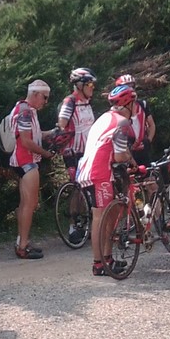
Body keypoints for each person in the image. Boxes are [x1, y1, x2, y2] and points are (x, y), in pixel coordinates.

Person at [75, 84, 137, 277]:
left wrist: (129, 159)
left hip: (91, 170)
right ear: (128, 104)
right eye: (134, 103)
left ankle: (107, 259)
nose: (136, 107)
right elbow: (119, 156)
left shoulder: (105, 117)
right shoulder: (122, 123)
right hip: (99, 172)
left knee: (109, 215)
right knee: (100, 217)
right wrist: (131, 161)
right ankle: (99, 263)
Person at [9, 80, 56, 259]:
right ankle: (23, 246)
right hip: (26, 161)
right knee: (30, 205)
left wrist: (51, 132)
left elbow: (33, 134)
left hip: (22, 161)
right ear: (35, 94)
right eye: (45, 97)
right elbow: (26, 141)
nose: (45, 101)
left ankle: (22, 241)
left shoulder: (25, 109)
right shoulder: (26, 112)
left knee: (25, 204)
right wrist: (45, 153)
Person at [56, 68, 97, 242]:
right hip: (73, 151)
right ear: (79, 85)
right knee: (77, 186)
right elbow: (61, 126)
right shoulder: (69, 102)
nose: (92, 88)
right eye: (90, 84)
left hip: (88, 151)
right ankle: (73, 226)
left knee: (88, 188)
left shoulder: (87, 103)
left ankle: (87, 225)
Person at [116, 73, 156, 167]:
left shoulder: (142, 104)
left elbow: (151, 124)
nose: (130, 89)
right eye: (127, 87)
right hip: (128, 147)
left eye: (132, 86)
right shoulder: (118, 109)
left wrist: (148, 141)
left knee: (147, 171)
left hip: (143, 146)